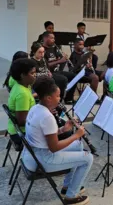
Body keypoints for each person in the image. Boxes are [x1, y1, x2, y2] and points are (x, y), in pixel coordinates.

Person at [22, 76, 92, 205]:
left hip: (31, 155)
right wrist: (76, 134)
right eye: (58, 96)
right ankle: (71, 196)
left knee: (78, 145)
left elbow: (45, 136)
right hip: (41, 160)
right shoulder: (47, 117)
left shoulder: (36, 108)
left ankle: (67, 187)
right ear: (48, 98)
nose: (60, 99)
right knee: (88, 158)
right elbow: (54, 147)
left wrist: (63, 129)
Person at [7, 58, 37, 146]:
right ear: (23, 75)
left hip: (20, 129)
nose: (35, 75)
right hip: (21, 133)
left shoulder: (21, 85)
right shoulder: (22, 94)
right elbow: (22, 121)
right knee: (62, 133)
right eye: (32, 73)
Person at [42, 32, 77, 103]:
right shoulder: (42, 50)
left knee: (74, 76)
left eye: (54, 38)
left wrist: (63, 58)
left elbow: (60, 60)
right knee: (63, 79)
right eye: (51, 38)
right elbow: (45, 65)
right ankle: (58, 101)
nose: (54, 40)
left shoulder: (54, 48)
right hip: (48, 72)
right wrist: (59, 61)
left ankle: (69, 98)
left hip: (56, 71)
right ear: (45, 38)